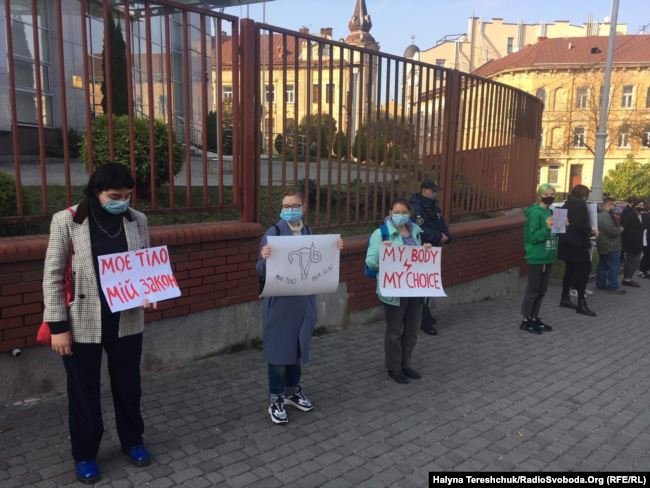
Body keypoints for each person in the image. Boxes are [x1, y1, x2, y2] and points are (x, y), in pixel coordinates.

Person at [43, 163, 154, 484]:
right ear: (96, 192)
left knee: (129, 385)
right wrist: (57, 327)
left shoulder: (137, 220)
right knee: (84, 391)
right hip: (82, 322)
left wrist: (148, 290)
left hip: (127, 318)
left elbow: (144, 265)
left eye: (128, 196)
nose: (122, 202)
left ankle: (133, 440)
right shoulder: (68, 220)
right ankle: (86, 453)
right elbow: (51, 275)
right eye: (114, 196)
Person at [257, 188, 344, 425]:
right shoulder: (273, 233)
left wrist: (334, 250)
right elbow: (260, 271)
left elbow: (319, 262)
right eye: (286, 207)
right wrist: (264, 258)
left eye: (295, 206)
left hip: (303, 303)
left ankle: (292, 391)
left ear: (303, 207)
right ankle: (276, 398)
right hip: (280, 304)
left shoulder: (308, 233)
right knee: (278, 352)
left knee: (296, 349)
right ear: (281, 210)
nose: (290, 210)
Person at [365, 197, 432, 384]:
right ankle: (393, 367)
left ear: (409, 213)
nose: (400, 216)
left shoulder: (416, 232)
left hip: (415, 290)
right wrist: (382, 251)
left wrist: (426, 251)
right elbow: (370, 262)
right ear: (390, 213)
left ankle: (406, 364)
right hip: (394, 291)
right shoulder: (381, 234)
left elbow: (418, 261)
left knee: (412, 331)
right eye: (396, 212)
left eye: (404, 212)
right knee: (394, 332)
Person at [409, 179, 451, 335]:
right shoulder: (417, 207)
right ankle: (423, 320)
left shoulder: (433, 206)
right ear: (424, 190)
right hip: (423, 249)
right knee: (424, 286)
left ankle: (425, 316)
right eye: (432, 191)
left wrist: (446, 235)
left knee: (429, 285)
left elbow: (441, 222)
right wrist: (437, 236)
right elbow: (417, 229)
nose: (435, 193)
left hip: (433, 249)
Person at [520, 183, 558, 334]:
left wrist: (561, 226)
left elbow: (554, 232)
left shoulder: (550, 211)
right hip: (537, 256)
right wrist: (546, 229)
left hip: (548, 255)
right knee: (533, 289)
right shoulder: (536, 213)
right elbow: (533, 237)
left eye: (553, 194)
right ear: (540, 195)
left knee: (542, 290)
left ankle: (534, 317)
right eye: (547, 194)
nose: (550, 197)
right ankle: (525, 320)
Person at [557, 184, 597, 317]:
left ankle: (565, 298)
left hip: (566, 244)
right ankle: (581, 303)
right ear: (584, 195)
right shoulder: (580, 205)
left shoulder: (565, 204)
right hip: (578, 245)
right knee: (583, 271)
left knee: (569, 271)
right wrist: (591, 230)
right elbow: (580, 225)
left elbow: (559, 225)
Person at [595, 196, 625, 294]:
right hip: (610, 245)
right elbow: (611, 231)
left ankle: (600, 284)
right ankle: (613, 285)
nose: (615, 207)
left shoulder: (601, 214)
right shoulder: (605, 216)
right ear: (609, 204)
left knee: (602, 266)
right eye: (614, 205)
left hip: (603, 244)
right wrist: (620, 229)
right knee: (614, 266)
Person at [621, 199, 645, 287]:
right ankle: (626, 279)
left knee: (636, 261)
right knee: (631, 261)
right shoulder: (630, 216)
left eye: (642, 206)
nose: (641, 207)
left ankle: (629, 278)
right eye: (639, 205)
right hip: (631, 243)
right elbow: (624, 230)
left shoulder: (642, 216)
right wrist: (623, 242)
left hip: (639, 243)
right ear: (635, 206)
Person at [638, 206, 650, 279]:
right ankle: (642, 271)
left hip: (647, 237)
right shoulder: (646, 216)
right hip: (646, 239)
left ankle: (645, 270)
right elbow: (646, 227)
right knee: (647, 255)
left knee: (648, 255)